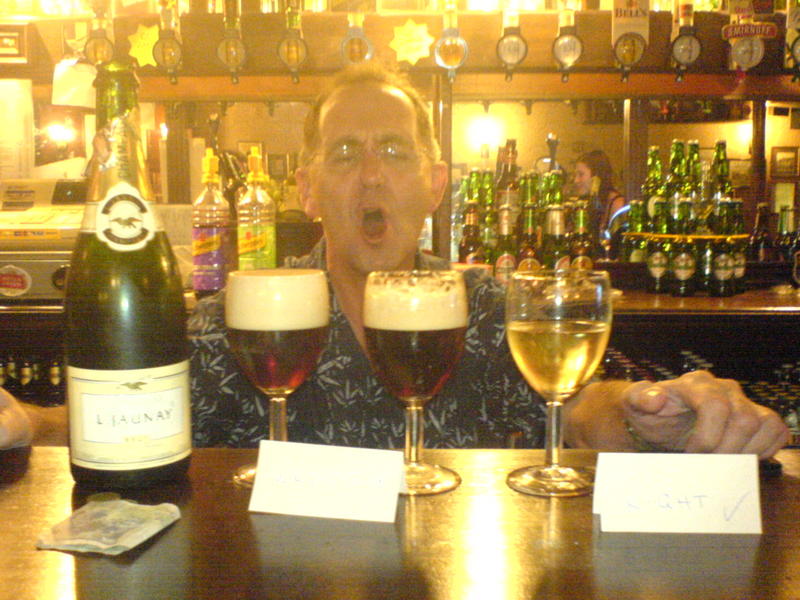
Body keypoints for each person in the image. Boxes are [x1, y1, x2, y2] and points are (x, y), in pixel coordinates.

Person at [0, 63, 790, 459]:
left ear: (436, 185)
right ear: (307, 188)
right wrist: (25, 422)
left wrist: (662, 415)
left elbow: (586, 408)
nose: (372, 176)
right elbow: (121, 422)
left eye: (394, 152)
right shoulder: (235, 325)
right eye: (345, 154)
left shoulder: (496, 311)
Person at [572, 149, 626, 234]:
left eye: (581, 174)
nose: (576, 180)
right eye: (575, 175)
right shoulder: (587, 203)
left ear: (597, 177)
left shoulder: (616, 203)